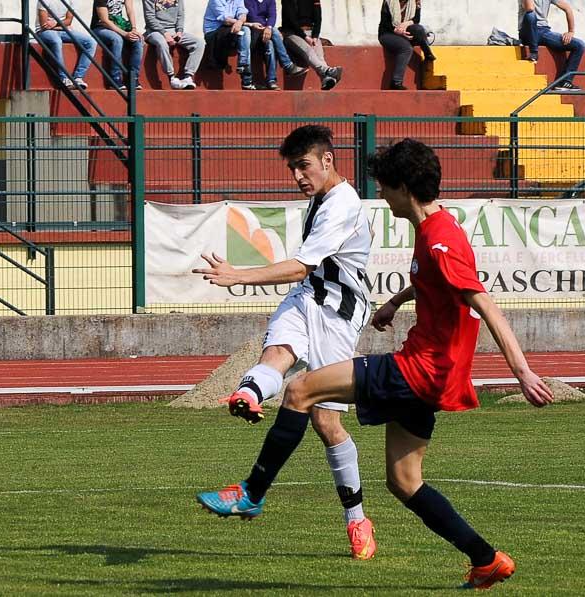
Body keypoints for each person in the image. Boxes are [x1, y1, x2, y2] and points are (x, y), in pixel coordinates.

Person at [196, 138, 555, 589]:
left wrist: (521, 372)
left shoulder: (440, 239)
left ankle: (252, 492)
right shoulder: (437, 228)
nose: (381, 197)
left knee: (300, 391)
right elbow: (437, 281)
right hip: (429, 378)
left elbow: (483, 302)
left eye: (385, 187)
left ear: (404, 187)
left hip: (417, 371)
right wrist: (394, 302)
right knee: (405, 482)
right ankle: (487, 560)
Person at [192, 125, 376, 560]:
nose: (297, 175)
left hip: (337, 315)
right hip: (307, 297)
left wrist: (238, 275)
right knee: (277, 355)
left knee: (327, 424)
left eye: (304, 165)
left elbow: (298, 267)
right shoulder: (321, 198)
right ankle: (249, 395)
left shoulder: (342, 206)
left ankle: (357, 520)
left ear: (328, 160)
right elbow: (303, 278)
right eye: (293, 167)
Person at [518, 0, 585, 91]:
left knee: (579, 45)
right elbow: (530, 8)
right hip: (528, 32)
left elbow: (568, 8)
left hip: (544, 31)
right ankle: (534, 52)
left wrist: (571, 31)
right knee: (530, 15)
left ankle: (565, 81)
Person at [243, 0, 308, 90]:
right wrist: (267, 28)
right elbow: (252, 17)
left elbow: (272, 15)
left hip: (265, 32)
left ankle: (271, 80)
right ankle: (287, 65)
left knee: (270, 44)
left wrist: (269, 27)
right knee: (275, 31)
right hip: (252, 31)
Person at [279, 0, 343, 90]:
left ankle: (326, 79)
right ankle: (328, 71)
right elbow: (291, 20)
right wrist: (305, 37)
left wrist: (315, 36)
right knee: (308, 50)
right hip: (292, 33)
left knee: (320, 56)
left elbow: (318, 18)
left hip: (311, 33)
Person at [143, 0, 205, 90]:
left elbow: (180, 15)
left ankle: (188, 76)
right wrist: (165, 33)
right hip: (154, 31)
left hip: (174, 31)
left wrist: (179, 31)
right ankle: (171, 78)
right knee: (162, 43)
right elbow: (149, 18)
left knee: (199, 43)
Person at [36, 0, 98, 89]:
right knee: (56, 41)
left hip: (61, 30)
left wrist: (57, 24)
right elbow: (44, 25)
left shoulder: (71, 1)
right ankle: (64, 78)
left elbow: (69, 21)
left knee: (91, 42)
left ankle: (78, 77)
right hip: (44, 32)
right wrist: (62, 25)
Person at [378, 0, 435, 90]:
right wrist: (397, 30)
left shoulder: (416, 1)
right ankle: (396, 82)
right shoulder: (388, 1)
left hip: (405, 31)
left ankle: (427, 53)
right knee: (406, 48)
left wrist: (406, 24)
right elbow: (385, 23)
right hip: (388, 33)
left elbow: (416, 19)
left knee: (419, 29)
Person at [91, 0, 145, 90]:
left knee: (138, 39)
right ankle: (115, 78)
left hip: (119, 26)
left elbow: (130, 10)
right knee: (117, 39)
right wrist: (125, 34)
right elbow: (104, 20)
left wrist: (134, 29)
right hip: (100, 27)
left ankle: (133, 78)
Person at [203, 0, 256, 89]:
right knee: (244, 30)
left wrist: (240, 21)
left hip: (230, 29)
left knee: (245, 31)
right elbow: (225, 20)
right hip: (213, 33)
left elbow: (242, 13)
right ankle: (246, 75)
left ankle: (243, 66)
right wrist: (246, 24)